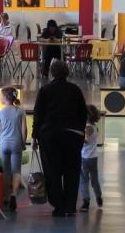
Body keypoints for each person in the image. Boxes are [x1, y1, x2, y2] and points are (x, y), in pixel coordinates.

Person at [33, 60, 88, 217]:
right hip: (72, 135)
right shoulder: (75, 90)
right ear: (67, 72)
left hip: (50, 136)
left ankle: (58, 206)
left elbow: (38, 115)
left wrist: (35, 136)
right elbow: (83, 113)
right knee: (72, 170)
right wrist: (80, 131)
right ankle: (70, 206)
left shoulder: (45, 90)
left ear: (51, 72)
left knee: (52, 171)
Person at [78, 104, 103, 212]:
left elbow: (86, 140)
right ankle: (98, 196)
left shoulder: (88, 128)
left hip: (84, 157)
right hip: (93, 157)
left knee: (84, 180)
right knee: (94, 179)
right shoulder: (95, 126)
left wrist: (78, 139)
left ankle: (86, 201)